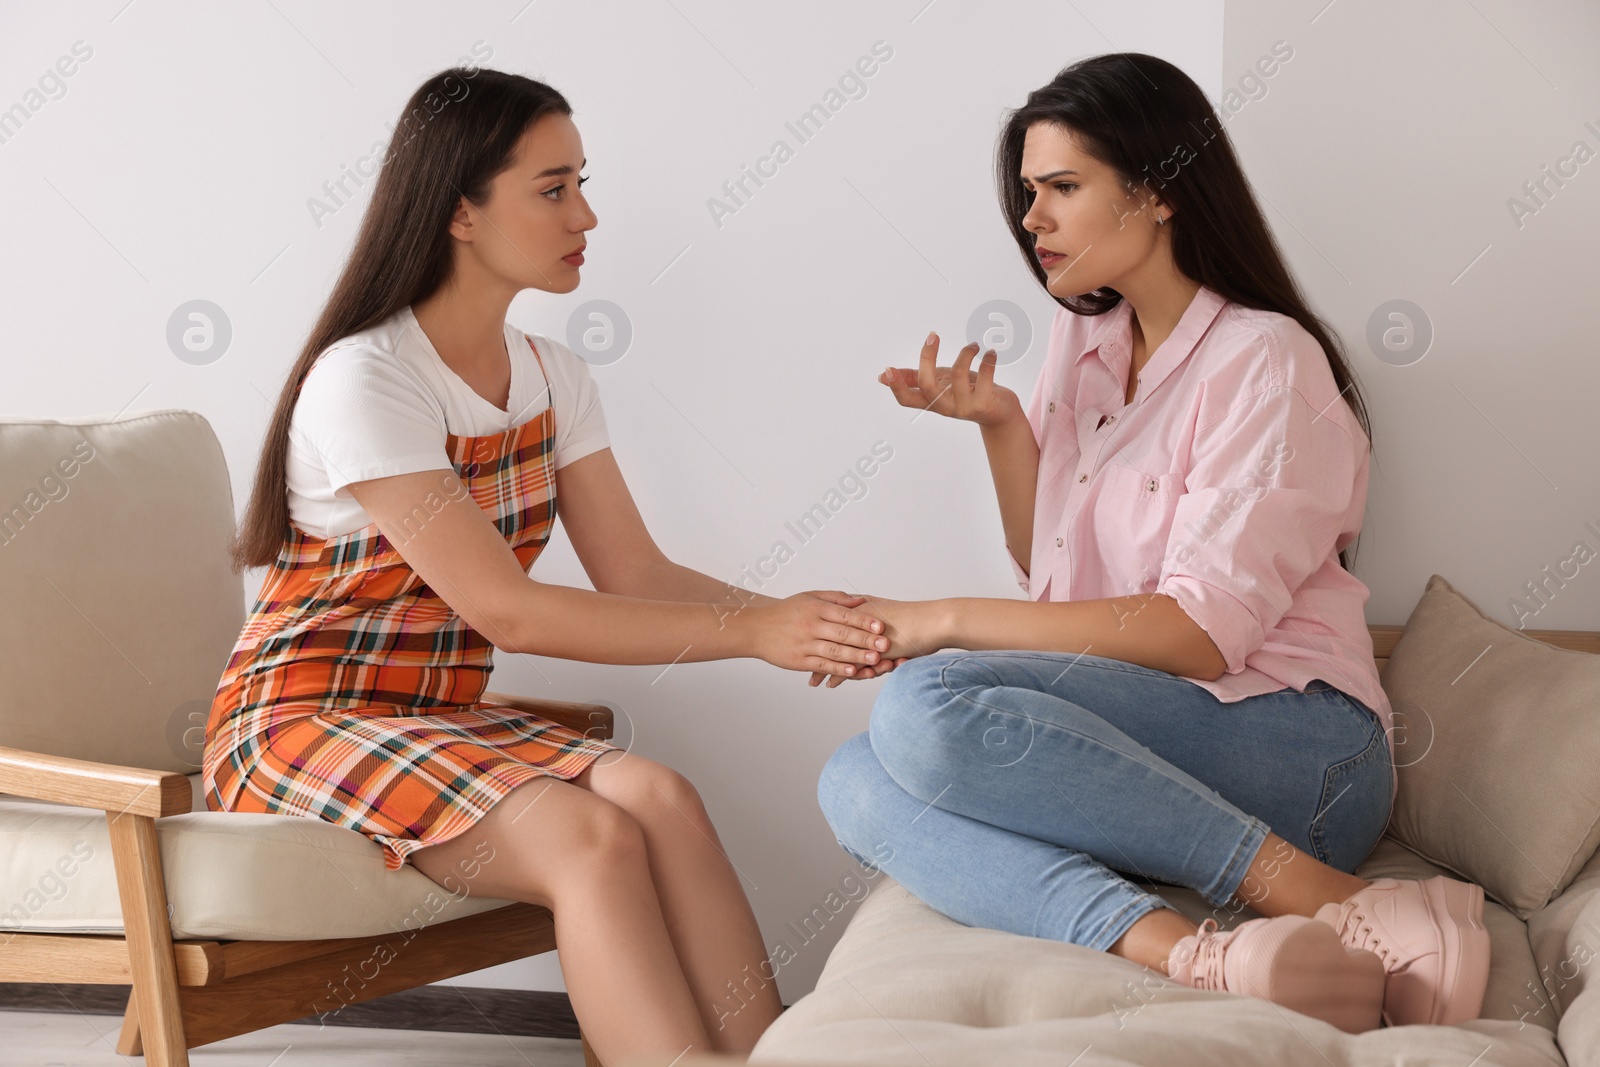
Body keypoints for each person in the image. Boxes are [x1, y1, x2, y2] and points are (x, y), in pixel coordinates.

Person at [202, 67, 900, 1065]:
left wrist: (790, 614)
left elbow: (635, 571)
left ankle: (768, 1054)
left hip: (430, 715)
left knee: (659, 796)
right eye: (553, 187)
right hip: (298, 720)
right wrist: (755, 632)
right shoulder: (367, 378)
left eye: (581, 183)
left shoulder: (553, 374)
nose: (587, 213)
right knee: (591, 836)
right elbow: (511, 611)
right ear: (460, 213)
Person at [817, 52, 1491, 1034]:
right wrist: (1006, 426)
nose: (1030, 219)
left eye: (1059, 188)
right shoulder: (1082, 348)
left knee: (927, 695)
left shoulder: (1265, 359)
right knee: (852, 774)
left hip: (1299, 747)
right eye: (1025, 195)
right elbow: (1057, 586)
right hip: (1148, 733)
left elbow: (1196, 635)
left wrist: (939, 621)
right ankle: (1190, 949)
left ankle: (1334, 899)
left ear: (1159, 190)